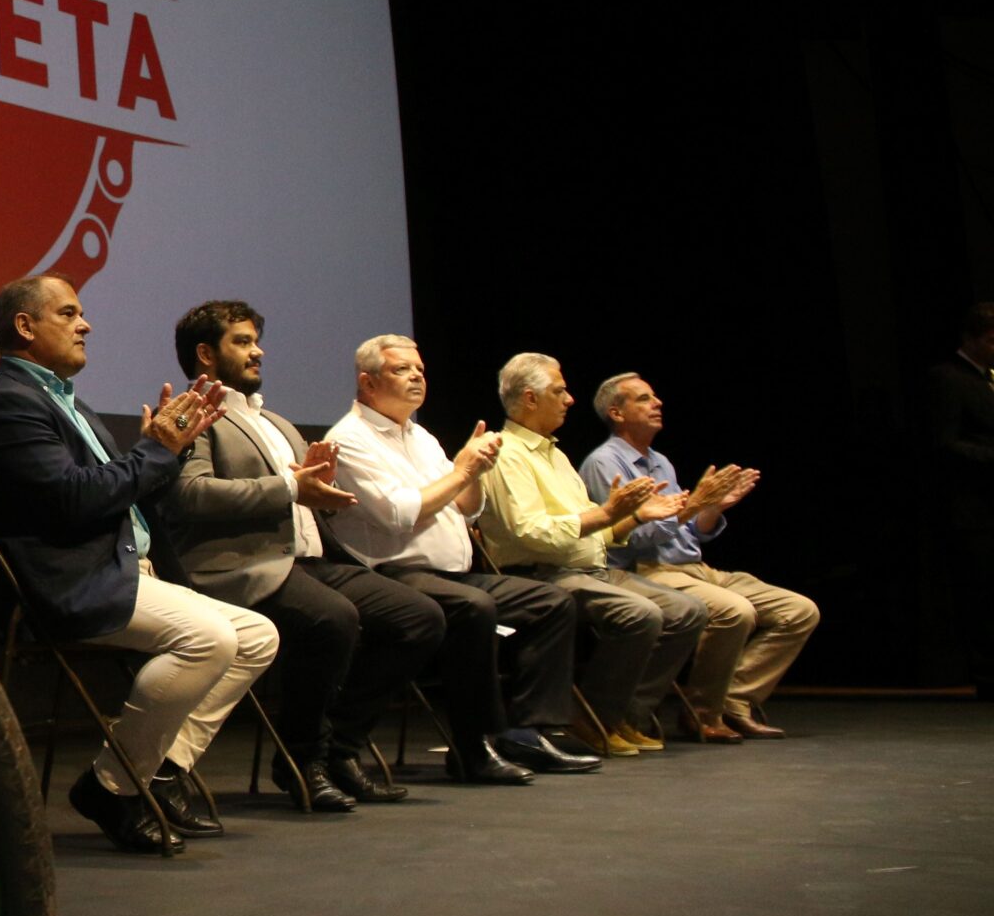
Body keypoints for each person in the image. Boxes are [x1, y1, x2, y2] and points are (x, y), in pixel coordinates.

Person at [0, 275, 277, 853]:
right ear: (25, 326)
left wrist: (161, 455)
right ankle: (115, 787)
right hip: (76, 581)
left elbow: (114, 494)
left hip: (120, 566)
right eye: (69, 313)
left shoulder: (64, 400)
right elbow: (75, 500)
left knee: (257, 635)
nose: (85, 325)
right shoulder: (11, 404)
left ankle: (152, 773)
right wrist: (157, 450)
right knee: (209, 639)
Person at [156, 302, 444, 809]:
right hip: (242, 566)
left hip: (308, 560)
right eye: (241, 342)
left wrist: (323, 497)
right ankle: (302, 760)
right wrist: (289, 486)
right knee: (332, 620)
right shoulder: (190, 413)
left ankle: (340, 748)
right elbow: (190, 495)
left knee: (418, 617)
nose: (257, 350)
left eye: (255, 341)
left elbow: (303, 495)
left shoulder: (277, 422)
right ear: (205, 354)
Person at [321, 334, 594, 781]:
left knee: (552, 603)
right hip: (394, 575)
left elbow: (466, 506)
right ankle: (474, 747)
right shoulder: (350, 439)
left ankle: (525, 733)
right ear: (367, 383)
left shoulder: (422, 437)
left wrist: (477, 472)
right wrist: (463, 469)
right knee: (474, 609)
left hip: (451, 575)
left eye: (420, 370)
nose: (416, 377)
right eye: (401, 369)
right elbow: (399, 513)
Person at [476, 353, 708, 756]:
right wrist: (605, 514)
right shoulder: (507, 454)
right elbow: (530, 533)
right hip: (541, 575)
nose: (569, 400)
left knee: (690, 611)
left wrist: (631, 519)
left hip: (588, 568)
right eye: (559, 391)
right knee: (641, 614)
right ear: (530, 399)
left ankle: (624, 714)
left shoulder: (556, 455)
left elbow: (596, 534)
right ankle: (593, 718)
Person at [579, 373, 817, 739]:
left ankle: (733, 701)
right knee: (734, 611)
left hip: (696, 567)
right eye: (643, 398)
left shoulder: (661, 462)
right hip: (650, 570)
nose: (657, 403)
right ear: (617, 412)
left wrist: (711, 509)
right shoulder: (603, 463)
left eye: (655, 397)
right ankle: (703, 715)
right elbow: (627, 538)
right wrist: (690, 509)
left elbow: (687, 532)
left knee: (798, 611)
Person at [921, 302, 994, 698]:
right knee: (982, 594)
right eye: (990, 339)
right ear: (970, 338)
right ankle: (987, 678)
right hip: (972, 509)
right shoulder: (947, 378)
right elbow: (944, 444)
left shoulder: (987, 379)